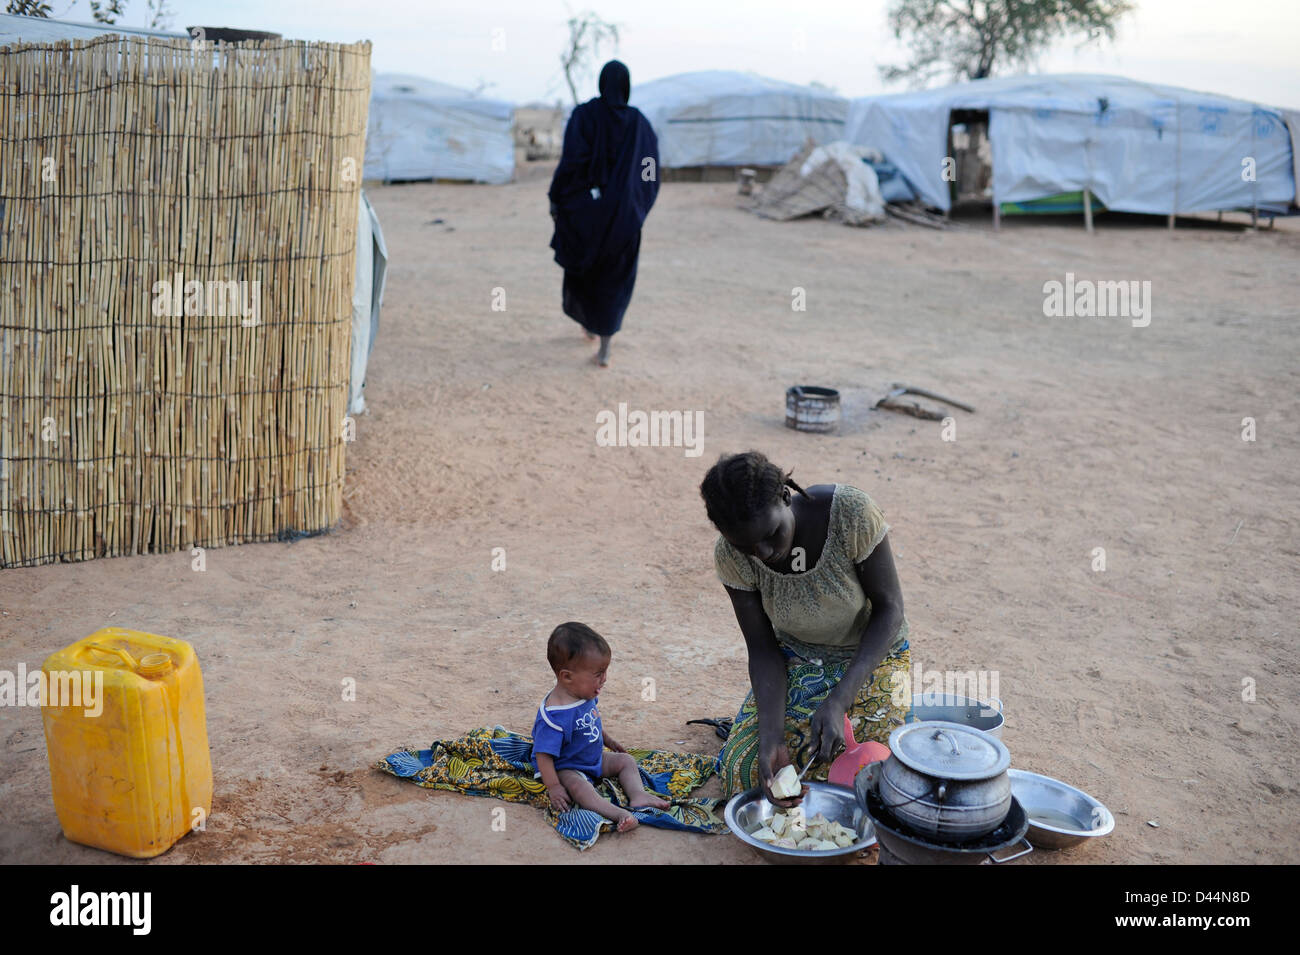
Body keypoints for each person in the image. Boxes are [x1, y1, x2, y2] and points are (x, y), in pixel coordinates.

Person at [699, 451, 913, 806]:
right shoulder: (730, 555)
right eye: (746, 547)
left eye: (771, 534)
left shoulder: (849, 514)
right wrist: (772, 737)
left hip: (872, 657)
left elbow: (890, 610)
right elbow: (763, 649)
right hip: (798, 660)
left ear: (786, 497)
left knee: (876, 775)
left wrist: (840, 699)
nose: (764, 552)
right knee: (746, 772)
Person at [548, 60, 659, 367]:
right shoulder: (640, 125)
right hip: (623, 219)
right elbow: (650, 171)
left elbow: (570, 162)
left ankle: (588, 323)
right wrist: (638, 203)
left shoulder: (583, 116)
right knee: (614, 279)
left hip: (587, 214)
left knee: (586, 271)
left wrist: (560, 197)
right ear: (626, 85)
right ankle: (606, 346)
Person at [531, 622, 670, 831]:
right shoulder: (554, 716)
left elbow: (591, 721)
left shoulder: (584, 693)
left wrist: (609, 741)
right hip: (568, 766)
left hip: (593, 758)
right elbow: (543, 755)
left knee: (626, 760)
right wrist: (554, 787)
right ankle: (618, 814)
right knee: (580, 788)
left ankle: (638, 795)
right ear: (567, 676)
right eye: (598, 674)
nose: (604, 679)